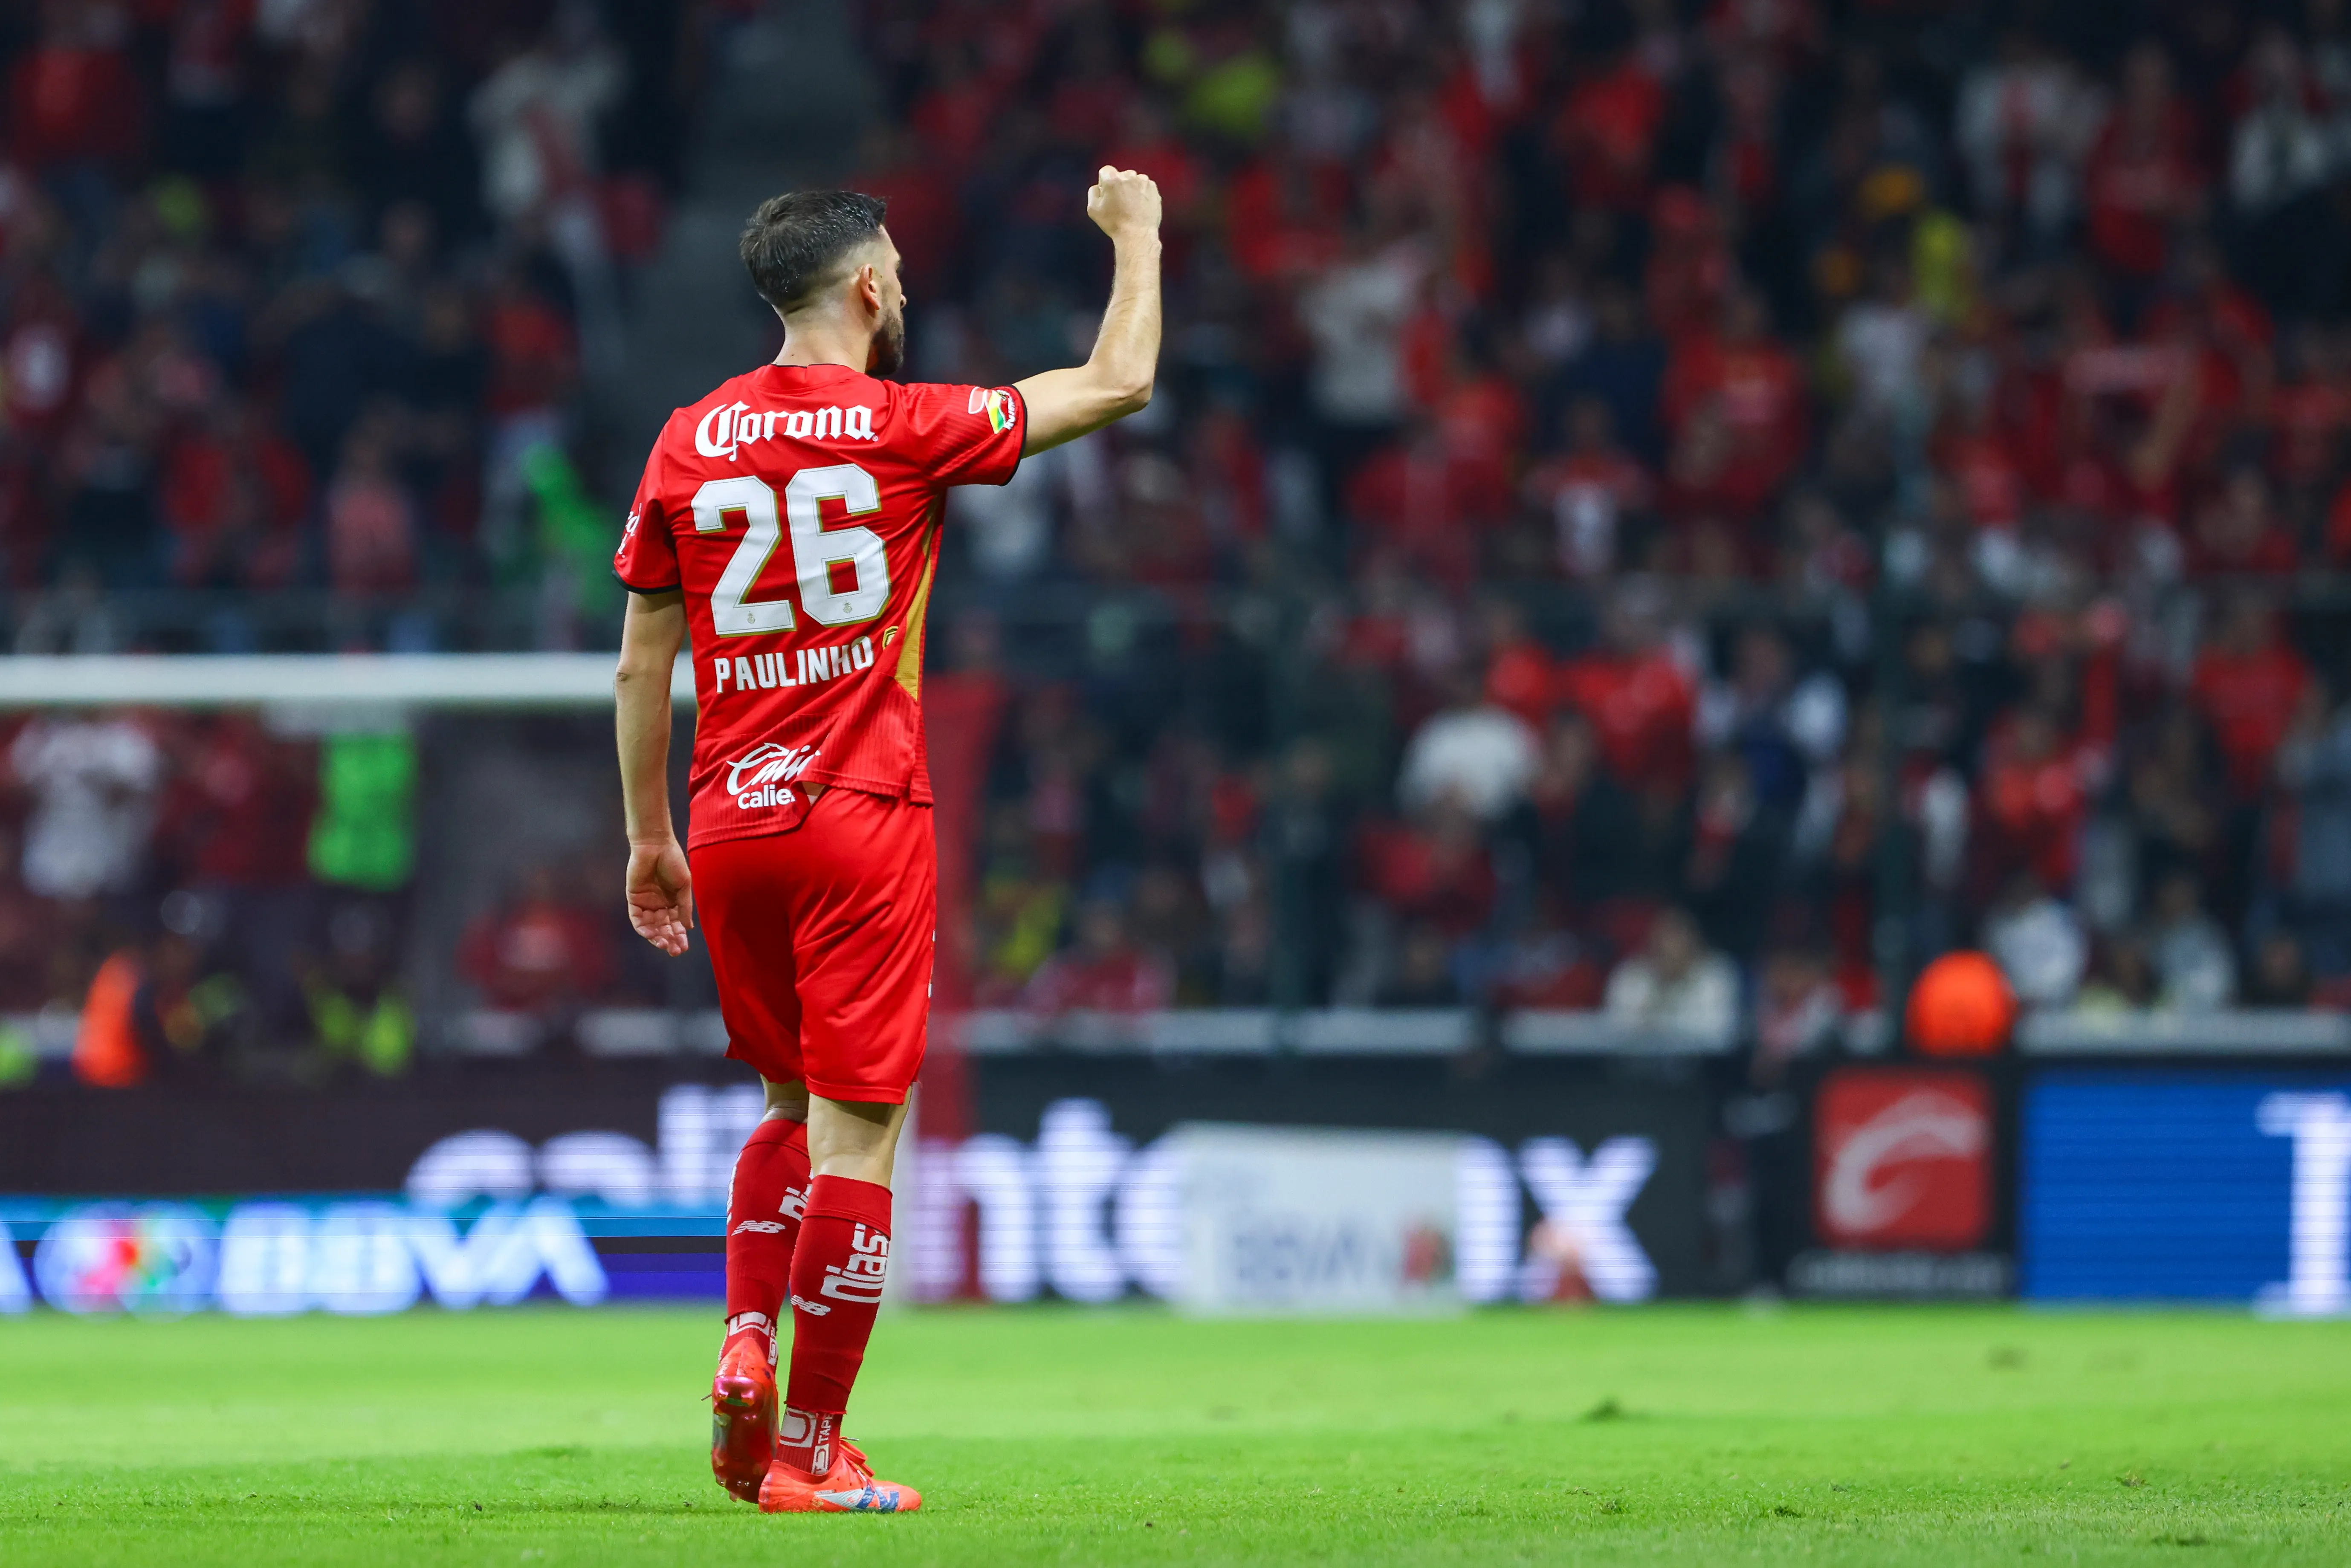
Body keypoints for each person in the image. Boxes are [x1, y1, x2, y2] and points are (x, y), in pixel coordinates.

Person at [610, 174, 1162, 1513]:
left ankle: (746, 1335)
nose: (904, 288)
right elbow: (1115, 384)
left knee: (785, 1109)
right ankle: (808, 1448)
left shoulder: (688, 437)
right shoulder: (908, 428)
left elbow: (639, 665)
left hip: (733, 821)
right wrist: (1137, 236)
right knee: (862, 1139)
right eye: (898, 272)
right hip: (864, 816)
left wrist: (648, 839)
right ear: (866, 289)